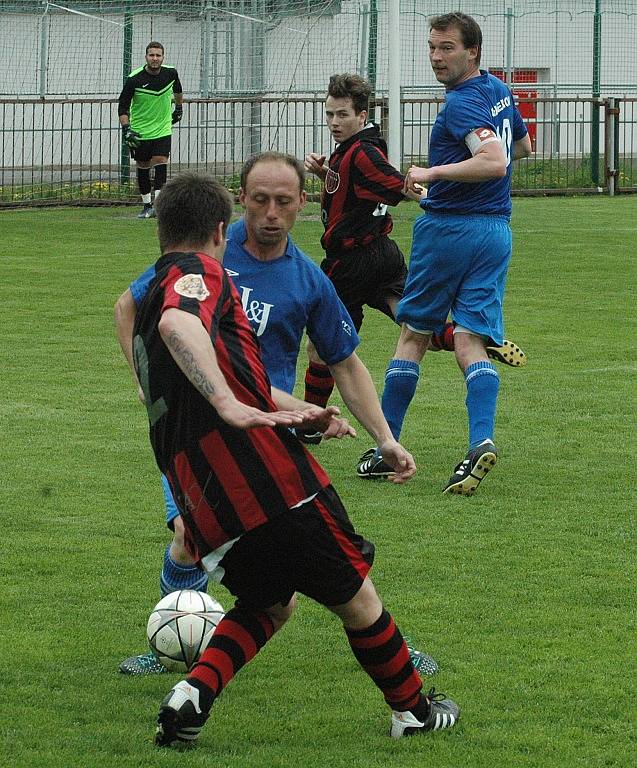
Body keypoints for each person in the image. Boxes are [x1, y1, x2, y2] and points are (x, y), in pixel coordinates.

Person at [126, 170, 459, 747]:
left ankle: (191, 698)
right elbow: (181, 323)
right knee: (358, 596)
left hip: (206, 497)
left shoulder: (157, 282)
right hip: (266, 482)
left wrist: (303, 410)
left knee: (269, 603)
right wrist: (230, 406)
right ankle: (414, 711)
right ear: (220, 228)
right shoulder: (197, 272)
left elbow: (220, 363)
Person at [357, 12, 533, 493]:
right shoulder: (499, 90)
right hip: (495, 232)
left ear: (472, 51)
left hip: (449, 233)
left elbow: (494, 161)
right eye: (432, 47)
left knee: (413, 336)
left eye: (447, 48)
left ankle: (385, 451)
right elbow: (523, 146)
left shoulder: (460, 104)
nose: (436, 56)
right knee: (469, 339)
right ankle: (480, 442)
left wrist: (432, 175)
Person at [302, 72, 526, 449]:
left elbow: (398, 186)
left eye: (342, 115)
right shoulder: (352, 149)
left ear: (361, 115)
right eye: (330, 114)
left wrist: (425, 189)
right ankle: (465, 337)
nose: (335, 122)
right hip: (382, 255)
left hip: (354, 262)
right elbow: (360, 186)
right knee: (415, 326)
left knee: (321, 345)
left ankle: (306, 425)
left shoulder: (363, 152)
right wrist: (326, 172)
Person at [118, 41, 183, 219]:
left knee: (161, 159)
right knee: (143, 165)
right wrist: (126, 129)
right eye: (151, 55)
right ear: (146, 57)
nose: (155, 58)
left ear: (163, 57)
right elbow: (123, 106)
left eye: (158, 55)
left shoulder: (171, 73)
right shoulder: (134, 79)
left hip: (162, 128)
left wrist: (178, 108)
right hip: (141, 129)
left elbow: (178, 90)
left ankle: (158, 206)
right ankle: (146, 205)